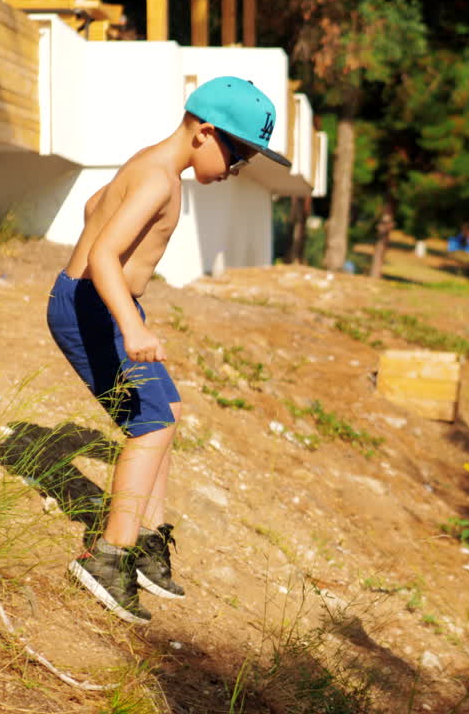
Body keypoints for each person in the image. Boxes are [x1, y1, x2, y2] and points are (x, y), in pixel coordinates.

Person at [45, 76, 290, 624]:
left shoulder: (152, 166)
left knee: (167, 411)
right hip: (92, 308)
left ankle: (147, 537)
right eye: (239, 154)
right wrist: (130, 324)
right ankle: (108, 557)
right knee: (149, 425)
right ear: (205, 133)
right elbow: (103, 255)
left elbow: (94, 206)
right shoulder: (158, 180)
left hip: (99, 304)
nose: (236, 169)